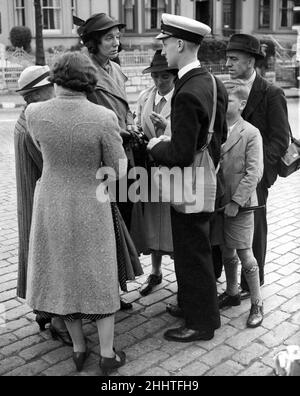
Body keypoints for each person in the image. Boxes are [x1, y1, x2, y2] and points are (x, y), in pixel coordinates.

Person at [25, 52, 127, 375]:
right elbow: (119, 170)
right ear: (89, 80)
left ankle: (80, 348)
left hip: (51, 199)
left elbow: (41, 150)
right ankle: (108, 354)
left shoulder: (34, 112)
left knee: (63, 271)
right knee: (100, 273)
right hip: (90, 201)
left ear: (55, 79)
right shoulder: (104, 117)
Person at [147, 14, 228, 342]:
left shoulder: (186, 90)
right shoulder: (210, 81)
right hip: (207, 179)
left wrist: (156, 146)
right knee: (199, 251)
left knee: (192, 255)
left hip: (189, 186)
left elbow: (180, 155)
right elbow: (211, 137)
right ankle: (200, 310)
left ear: (180, 44)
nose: (163, 49)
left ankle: (201, 324)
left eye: (165, 42)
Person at [73, 13, 143, 310]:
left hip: (124, 156)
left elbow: (121, 107)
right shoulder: (85, 71)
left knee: (121, 224)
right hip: (99, 162)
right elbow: (82, 116)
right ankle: (98, 293)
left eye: (117, 36)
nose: (116, 43)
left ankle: (113, 289)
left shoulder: (115, 67)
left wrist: (132, 125)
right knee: (101, 229)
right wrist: (120, 130)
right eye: (108, 38)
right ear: (92, 43)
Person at [226, 34, 290, 299]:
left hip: (256, 176)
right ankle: (231, 283)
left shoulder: (271, 93)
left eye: (234, 59)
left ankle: (252, 284)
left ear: (250, 61)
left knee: (256, 229)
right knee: (230, 229)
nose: (228, 63)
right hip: (228, 175)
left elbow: (280, 139)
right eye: (227, 58)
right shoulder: (226, 89)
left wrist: (264, 174)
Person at [14, 65, 72, 346]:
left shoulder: (27, 118)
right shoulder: (35, 124)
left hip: (33, 199)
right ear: (39, 93)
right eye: (53, 87)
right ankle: (58, 320)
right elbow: (53, 166)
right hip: (45, 202)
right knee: (53, 259)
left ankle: (45, 311)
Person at [216, 82, 264, 328]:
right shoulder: (217, 129)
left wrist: (236, 201)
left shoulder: (250, 132)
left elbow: (254, 173)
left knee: (245, 252)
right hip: (218, 203)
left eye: (230, 101)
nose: (224, 105)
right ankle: (232, 292)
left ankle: (256, 301)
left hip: (240, 204)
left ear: (242, 104)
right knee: (226, 250)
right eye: (222, 100)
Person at [133, 49, 177, 296]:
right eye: (156, 76)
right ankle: (156, 272)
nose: (160, 82)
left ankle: (183, 273)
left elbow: (188, 134)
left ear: (174, 77)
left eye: (165, 77)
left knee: (173, 222)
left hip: (173, 169)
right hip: (151, 170)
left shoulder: (181, 98)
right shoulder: (144, 97)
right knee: (153, 222)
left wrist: (166, 128)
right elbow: (139, 125)